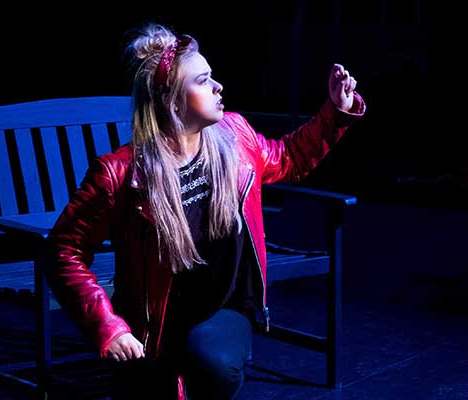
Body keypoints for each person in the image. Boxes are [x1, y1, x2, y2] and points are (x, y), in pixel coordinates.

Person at [45, 22, 366, 400]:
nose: (219, 87)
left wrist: (335, 113)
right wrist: (108, 326)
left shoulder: (236, 136)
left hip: (223, 305)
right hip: (154, 320)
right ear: (173, 102)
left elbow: (289, 157)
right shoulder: (122, 174)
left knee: (210, 364)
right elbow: (63, 249)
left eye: (213, 77)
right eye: (203, 80)